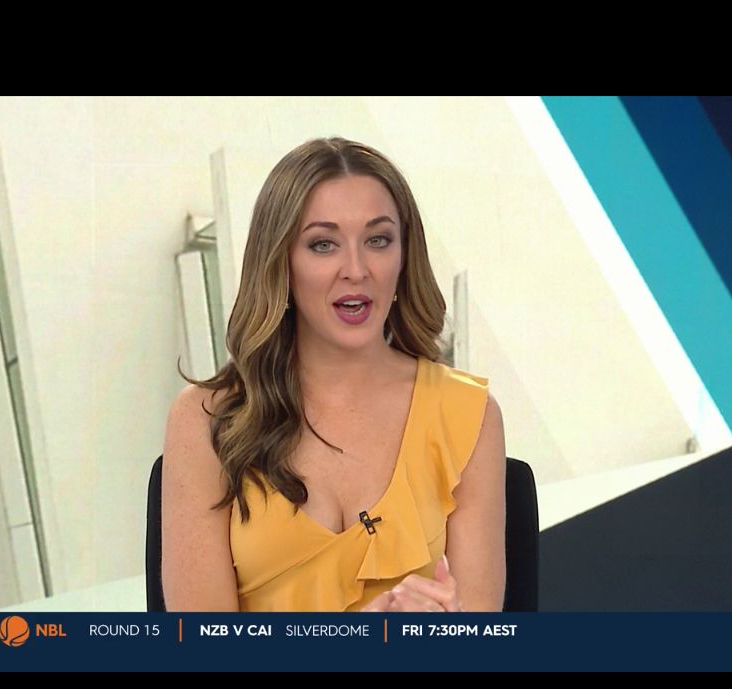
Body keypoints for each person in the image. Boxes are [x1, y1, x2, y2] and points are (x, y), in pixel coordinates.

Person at [162, 137, 506, 612]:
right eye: (323, 244)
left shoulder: (469, 415)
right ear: (281, 263)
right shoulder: (205, 420)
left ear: (404, 256)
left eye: (378, 240)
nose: (356, 270)